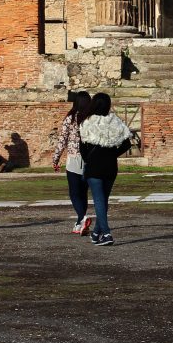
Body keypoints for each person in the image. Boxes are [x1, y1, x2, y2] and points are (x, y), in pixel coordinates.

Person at [79, 92, 133, 246]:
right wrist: (112, 153)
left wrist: (89, 159)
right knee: (103, 200)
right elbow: (127, 143)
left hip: (94, 166)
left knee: (99, 200)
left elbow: (82, 148)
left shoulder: (87, 122)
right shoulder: (115, 121)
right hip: (110, 166)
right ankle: (96, 233)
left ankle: (107, 233)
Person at [52, 90, 93, 235]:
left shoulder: (70, 118)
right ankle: (79, 223)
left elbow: (62, 139)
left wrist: (56, 158)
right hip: (90, 159)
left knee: (74, 193)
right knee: (83, 193)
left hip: (74, 158)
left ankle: (82, 217)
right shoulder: (92, 118)